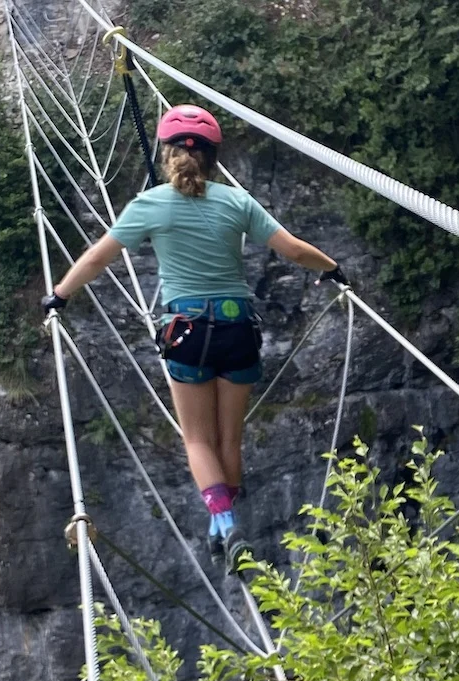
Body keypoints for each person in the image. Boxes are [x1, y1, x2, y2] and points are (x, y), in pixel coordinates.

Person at [41, 103, 345, 568]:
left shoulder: (149, 206)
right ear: (213, 158)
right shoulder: (236, 202)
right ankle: (221, 526)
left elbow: (99, 259)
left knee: (197, 441)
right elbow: (295, 250)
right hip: (239, 329)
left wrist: (59, 295)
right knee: (229, 441)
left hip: (187, 332)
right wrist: (333, 269)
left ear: (167, 155)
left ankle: (225, 525)